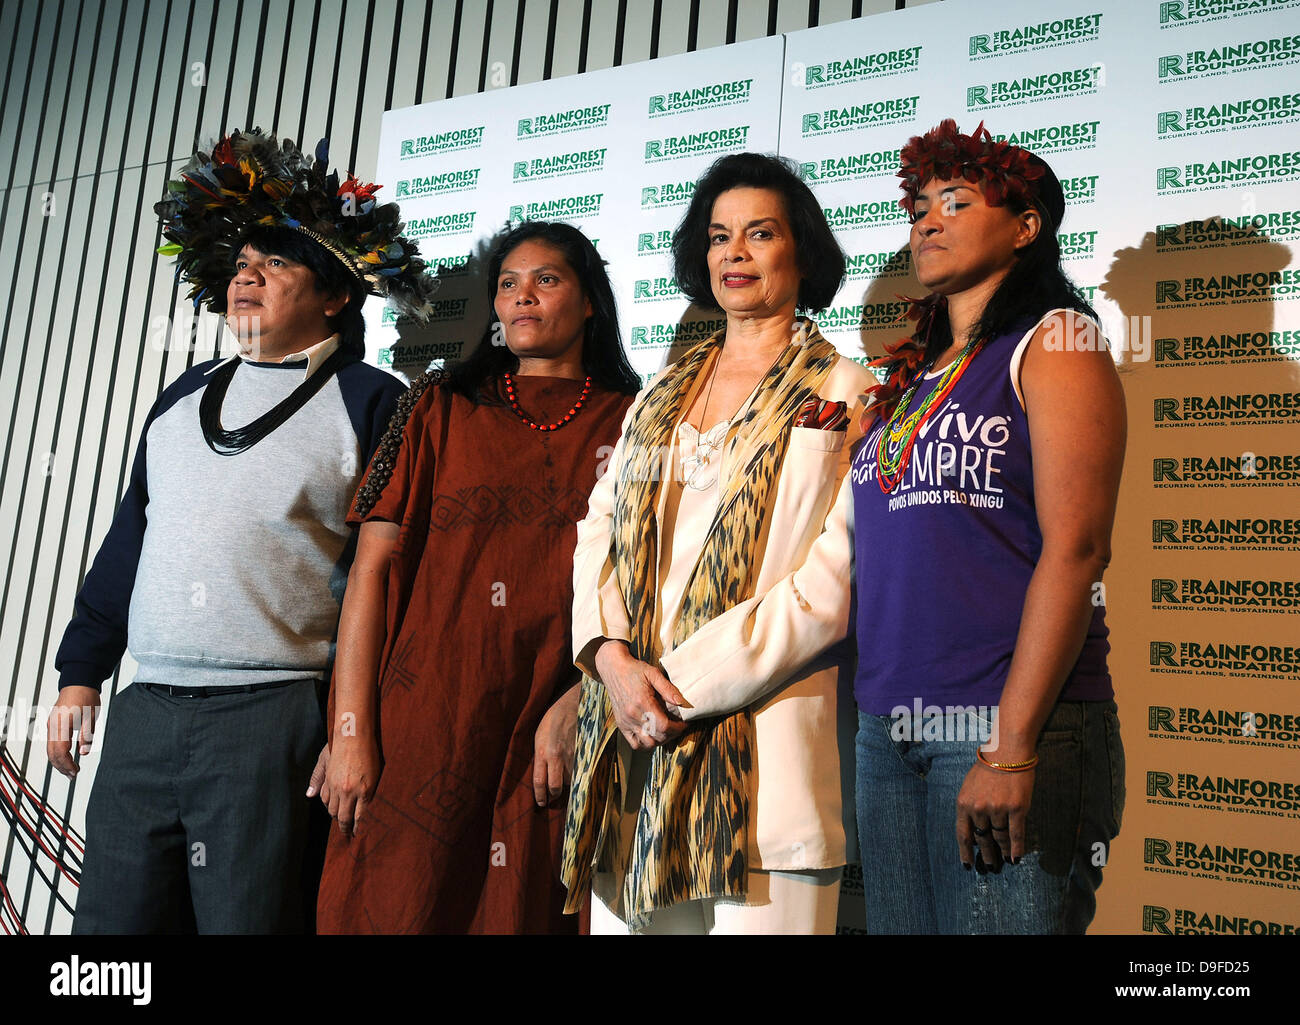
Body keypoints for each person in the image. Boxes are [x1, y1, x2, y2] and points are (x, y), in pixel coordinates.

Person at [45, 128, 431, 933]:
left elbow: (391, 578)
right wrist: (82, 669)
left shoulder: (375, 401)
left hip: (273, 715)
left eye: (275, 264)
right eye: (241, 266)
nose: (245, 279)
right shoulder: (182, 396)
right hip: (144, 708)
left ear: (336, 296)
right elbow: (132, 536)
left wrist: (352, 727)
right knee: (108, 942)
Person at [561, 152, 875, 935]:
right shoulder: (659, 392)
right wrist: (612, 662)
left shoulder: (848, 390)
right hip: (631, 753)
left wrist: (675, 684)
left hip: (766, 774)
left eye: (759, 234)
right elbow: (596, 534)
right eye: (718, 236)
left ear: (801, 251)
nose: (734, 253)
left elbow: (832, 585)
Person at [314, 221, 639, 934]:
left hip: (547, 736)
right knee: (397, 905)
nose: (522, 297)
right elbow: (369, 573)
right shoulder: (436, 406)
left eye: (546, 279)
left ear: (590, 301)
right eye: (508, 283)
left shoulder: (639, 423)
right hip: (421, 727)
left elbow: (650, 595)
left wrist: (584, 704)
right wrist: (349, 729)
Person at [850, 119, 1126, 933]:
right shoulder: (905, 381)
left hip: (1006, 724)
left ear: (1026, 226)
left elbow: (1077, 550)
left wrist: (1010, 747)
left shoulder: (1057, 340)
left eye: (956, 202)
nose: (926, 221)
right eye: (920, 207)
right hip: (887, 729)